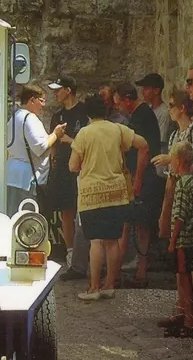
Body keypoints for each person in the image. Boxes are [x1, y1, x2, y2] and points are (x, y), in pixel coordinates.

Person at [69, 94, 150, 301]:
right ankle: (109, 285)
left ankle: (94, 287)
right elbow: (143, 145)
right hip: (116, 193)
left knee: (96, 241)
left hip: (91, 195)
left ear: (88, 113)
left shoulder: (84, 134)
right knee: (112, 241)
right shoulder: (117, 129)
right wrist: (137, 177)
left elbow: (73, 166)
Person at [114, 82, 164, 288]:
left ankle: (136, 272)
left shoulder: (141, 115)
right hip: (140, 176)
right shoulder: (139, 115)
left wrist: (138, 179)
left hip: (144, 177)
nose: (117, 108)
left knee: (136, 225)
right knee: (134, 225)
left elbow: (144, 150)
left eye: (118, 104)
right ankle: (133, 271)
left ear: (127, 100)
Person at [158, 140, 193, 338]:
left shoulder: (183, 184)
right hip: (191, 239)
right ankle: (188, 318)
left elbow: (179, 216)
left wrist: (171, 240)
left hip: (183, 241)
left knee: (184, 282)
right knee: (188, 281)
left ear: (178, 161)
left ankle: (188, 320)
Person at [47, 76, 89, 272]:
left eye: (58, 89)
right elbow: (53, 144)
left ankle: (85, 256)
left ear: (69, 90)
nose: (55, 93)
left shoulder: (84, 113)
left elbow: (87, 144)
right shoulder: (57, 116)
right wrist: (53, 161)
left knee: (83, 213)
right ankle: (70, 253)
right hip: (63, 170)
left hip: (83, 170)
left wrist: (67, 139)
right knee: (66, 212)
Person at [6, 84, 66, 217]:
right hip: (28, 180)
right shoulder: (30, 119)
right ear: (32, 100)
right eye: (42, 100)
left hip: (14, 176)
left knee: (14, 217)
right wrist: (56, 134)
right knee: (28, 221)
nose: (43, 105)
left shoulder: (14, 118)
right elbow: (40, 146)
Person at [152, 90, 193, 239]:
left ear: (182, 108)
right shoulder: (174, 135)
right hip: (173, 186)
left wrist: (170, 158)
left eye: (172, 105)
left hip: (188, 190)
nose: (169, 109)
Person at [136, 73, 176, 179]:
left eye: (146, 88)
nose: (143, 92)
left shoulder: (164, 113)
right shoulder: (149, 110)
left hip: (159, 168)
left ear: (156, 91)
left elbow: (159, 141)